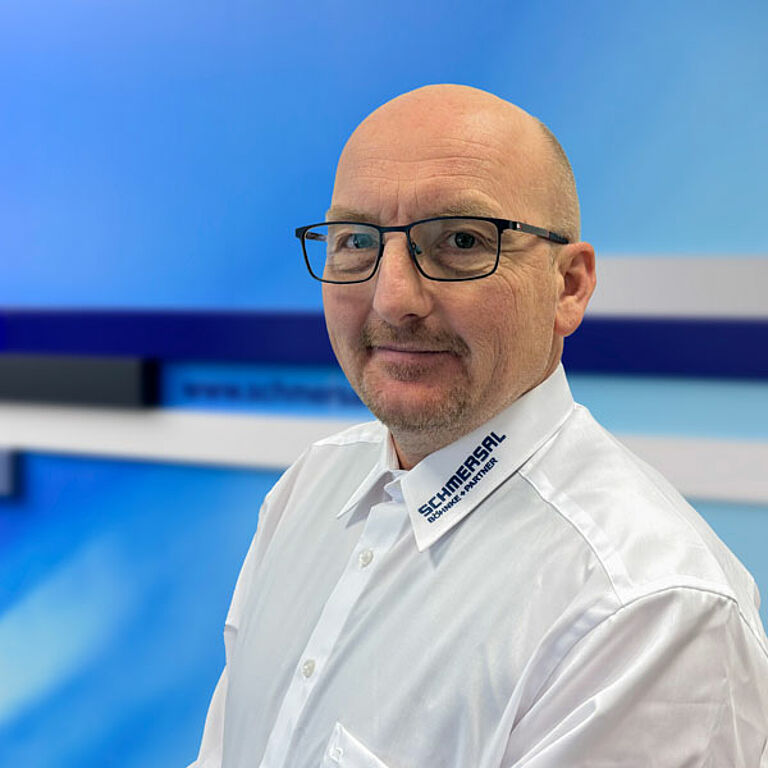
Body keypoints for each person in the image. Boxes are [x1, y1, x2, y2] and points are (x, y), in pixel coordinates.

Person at [189, 85, 768, 767]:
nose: (393, 299)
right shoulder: (309, 489)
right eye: (356, 242)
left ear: (569, 286)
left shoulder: (647, 609)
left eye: (461, 241)